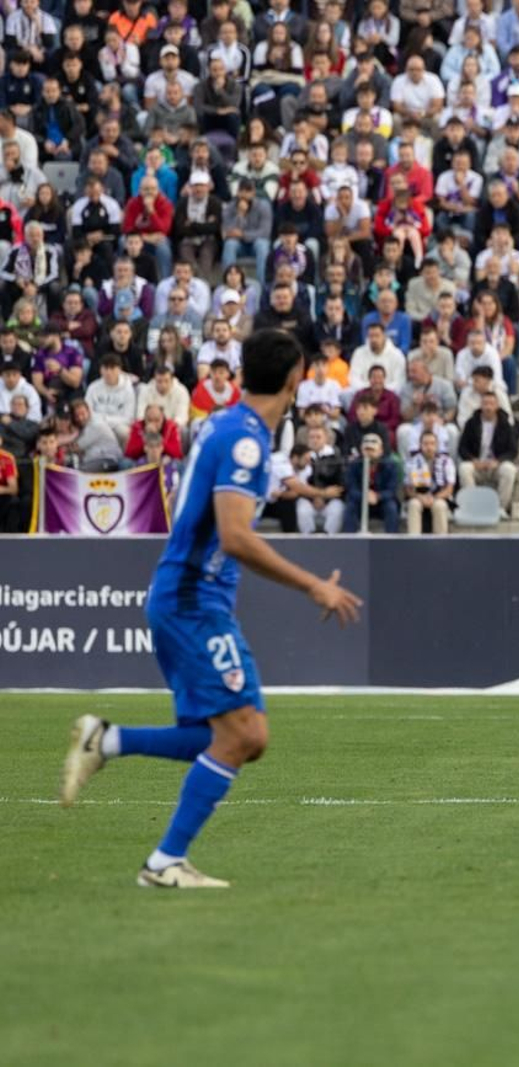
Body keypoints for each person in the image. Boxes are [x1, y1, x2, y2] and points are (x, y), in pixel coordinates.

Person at [58, 330, 362, 888]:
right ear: (295, 380)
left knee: (221, 738)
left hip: (188, 594)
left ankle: (108, 741)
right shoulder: (245, 441)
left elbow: (188, 507)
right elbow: (237, 536)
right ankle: (164, 862)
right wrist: (314, 586)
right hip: (194, 601)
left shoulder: (225, 427)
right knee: (247, 735)